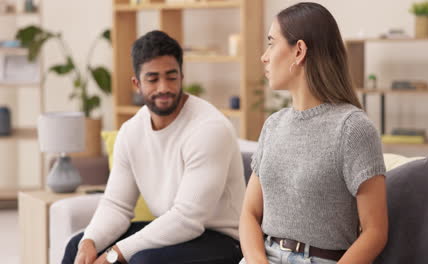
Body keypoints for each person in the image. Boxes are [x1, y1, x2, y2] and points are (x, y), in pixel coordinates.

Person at [62, 30, 245, 264]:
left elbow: (188, 219)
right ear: (137, 83)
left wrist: (113, 255)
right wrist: (91, 242)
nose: (163, 88)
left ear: (181, 76)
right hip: (172, 231)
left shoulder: (210, 128)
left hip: (223, 239)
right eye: (153, 79)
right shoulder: (131, 131)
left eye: (171, 77)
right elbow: (117, 205)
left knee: (143, 261)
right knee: (75, 247)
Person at [239, 2, 388, 264]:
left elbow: (375, 232)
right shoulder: (273, 125)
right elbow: (249, 213)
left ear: (299, 51)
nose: (264, 56)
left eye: (272, 43)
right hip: (263, 256)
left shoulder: (353, 128)